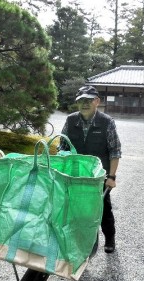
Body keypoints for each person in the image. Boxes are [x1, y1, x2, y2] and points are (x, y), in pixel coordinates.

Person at [60, 85, 122, 253]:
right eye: (81, 101)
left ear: (97, 102)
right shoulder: (71, 120)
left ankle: (110, 238)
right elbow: (63, 147)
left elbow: (115, 151)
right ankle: (87, 242)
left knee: (102, 208)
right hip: (76, 174)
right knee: (77, 208)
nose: (84, 104)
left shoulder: (106, 122)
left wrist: (112, 177)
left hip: (98, 176)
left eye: (88, 100)